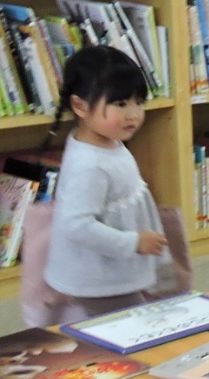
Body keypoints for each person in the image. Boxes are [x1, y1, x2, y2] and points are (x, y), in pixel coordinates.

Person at [32, 45, 171, 326]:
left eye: (139, 102)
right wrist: (133, 242)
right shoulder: (90, 165)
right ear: (80, 106)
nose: (134, 114)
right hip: (99, 276)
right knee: (134, 328)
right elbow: (77, 225)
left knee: (130, 321)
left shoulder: (106, 141)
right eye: (121, 104)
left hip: (113, 266)